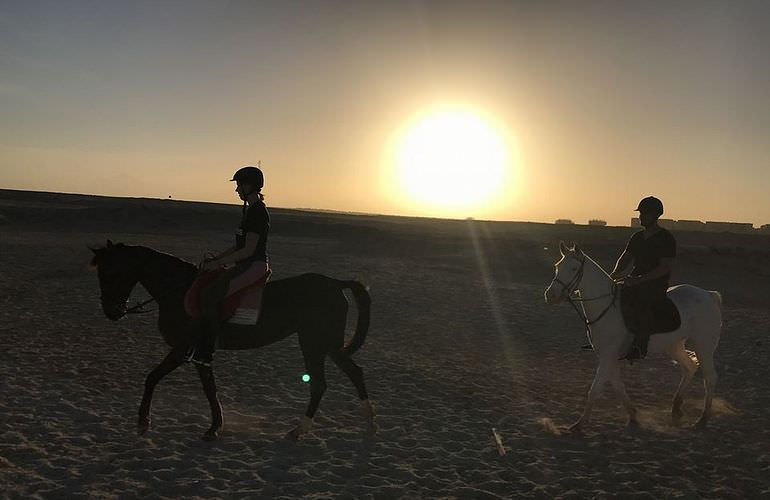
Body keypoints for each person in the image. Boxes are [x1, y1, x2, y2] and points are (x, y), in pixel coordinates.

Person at [188, 165, 270, 366]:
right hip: (245, 264)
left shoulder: (258, 213)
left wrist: (218, 263)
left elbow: (248, 250)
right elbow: (237, 245)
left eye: (239, 185)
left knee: (211, 294)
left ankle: (206, 351)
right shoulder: (250, 211)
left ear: (249, 186)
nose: (236, 190)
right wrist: (216, 259)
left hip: (253, 266)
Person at [610, 196, 676, 361]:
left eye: (644, 213)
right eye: (641, 213)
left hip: (655, 283)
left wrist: (639, 280)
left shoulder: (666, 238)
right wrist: (614, 273)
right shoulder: (637, 237)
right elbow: (625, 258)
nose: (640, 216)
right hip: (634, 279)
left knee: (642, 303)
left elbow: (664, 267)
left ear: (655, 215)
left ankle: (639, 347)